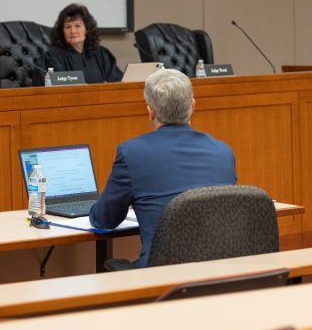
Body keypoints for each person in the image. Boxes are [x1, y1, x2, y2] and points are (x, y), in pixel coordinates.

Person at [89, 68, 237, 267]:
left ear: (150, 111)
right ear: (193, 107)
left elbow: (103, 220)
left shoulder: (132, 153)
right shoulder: (223, 152)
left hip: (161, 278)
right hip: (219, 273)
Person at [33, 3, 122, 85]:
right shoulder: (53, 57)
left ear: (87, 29)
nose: (73, 31)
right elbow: (51, 87)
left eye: (77, 26)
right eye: (68, 27)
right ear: (62, 31)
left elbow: (117, 82)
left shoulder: (101, 54)